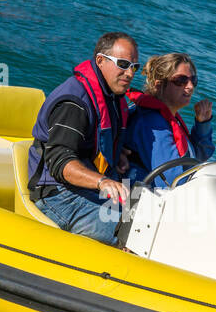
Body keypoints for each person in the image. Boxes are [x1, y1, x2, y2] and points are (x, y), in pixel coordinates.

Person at [27, 32, 138, 244]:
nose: (130, 73)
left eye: (134, 67)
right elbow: (62, 163)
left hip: (87, 191)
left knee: (149, 218)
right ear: (100, 61)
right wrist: (102, 181)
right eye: (123, 64)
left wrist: (118, 153)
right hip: (58, 196)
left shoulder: (112, 97)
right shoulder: (74, 103)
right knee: (135, 236)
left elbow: (93, 141)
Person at [125, 52, 214, 189]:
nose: (190, 86)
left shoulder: (169, 118)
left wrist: (202, 124)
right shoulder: (153, 123)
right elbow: (171, 181)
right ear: (159, 85)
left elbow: (196, 158)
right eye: (181, 80)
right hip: (134, 201)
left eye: (193, 80)